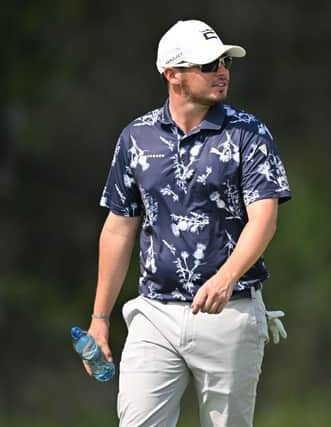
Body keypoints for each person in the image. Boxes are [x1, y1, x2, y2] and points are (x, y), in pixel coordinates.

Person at [83, 19, 291, 427]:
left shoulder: (248, 133)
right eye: (209, 64)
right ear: (173, 74)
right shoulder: (136, 137)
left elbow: (264, 218)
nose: (222, 71)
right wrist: (99, 318)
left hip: (228, 312)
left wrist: (227, 277)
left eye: (224, 62)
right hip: (153, 313)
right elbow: (119, 226)